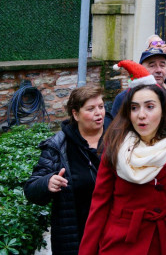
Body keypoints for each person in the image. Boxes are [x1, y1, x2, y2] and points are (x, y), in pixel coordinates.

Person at [79, 81, 166, 254]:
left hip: (164, 240)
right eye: (134, 108)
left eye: (150, 107)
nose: (141, 115)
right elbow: (100, 204)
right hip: (122, 241)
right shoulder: (116, 145)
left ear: (163, 110)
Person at [24, 85, 108, 255]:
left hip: (114, 231)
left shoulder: (119, 138)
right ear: (75, 114)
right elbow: (31, 189)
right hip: (76, 237)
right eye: (90, 109)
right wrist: (48, 182)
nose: (99, 113)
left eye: (101, 106)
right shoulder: (58, 146)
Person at [112, 48, 166, 133]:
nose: (159, 70)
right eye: (152, 65)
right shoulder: (124, 98)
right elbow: (115, 133)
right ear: (141, 68)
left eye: (162, 65)